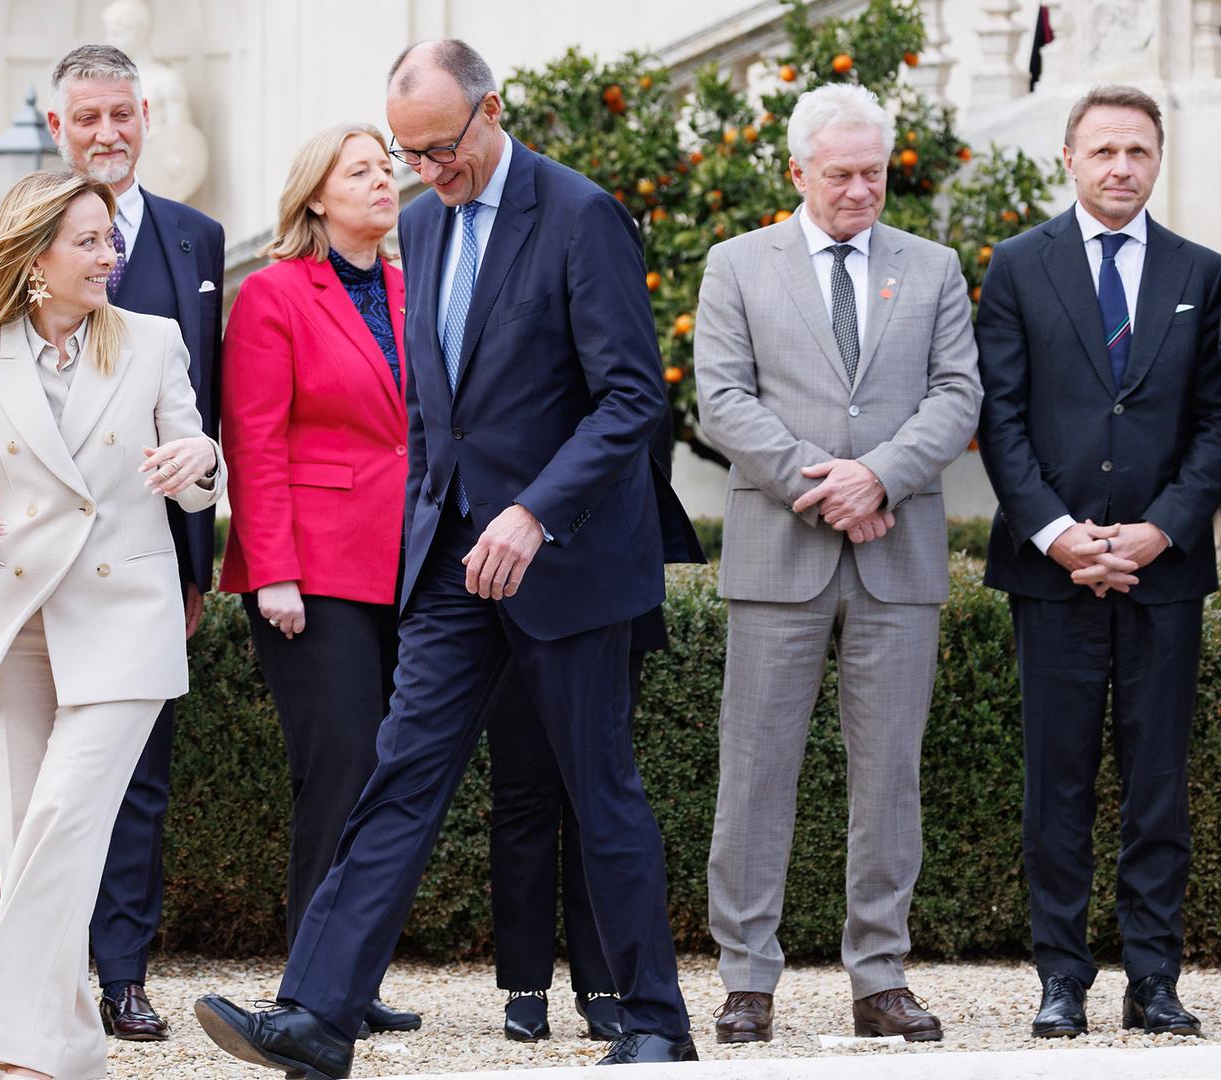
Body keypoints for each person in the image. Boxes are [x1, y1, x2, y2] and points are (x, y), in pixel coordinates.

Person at [195, 39, 697, 1072]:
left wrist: (534, 514)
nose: (426, 171)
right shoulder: (419, 229)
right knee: (397, 779)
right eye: (408, 153)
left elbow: (633, 398)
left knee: (598, 788)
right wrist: (438, 519)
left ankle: (654, 1024)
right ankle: (317, 1018)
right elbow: (437, 410)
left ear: (491, 110)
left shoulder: (578, 213)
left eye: (438, 148)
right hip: (450, 568)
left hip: (567, 560)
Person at [0, 169, 223, 1080]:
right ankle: (67, 1047)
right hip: (14, 618)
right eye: (87, 241)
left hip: (125, 612)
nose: (109, 256)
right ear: (35, 256)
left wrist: (200, 461)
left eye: (110, 239)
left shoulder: (154, 341)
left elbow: (201, 467)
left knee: (65, 818)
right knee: (29, 842)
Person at [693, 83, 981, 1046]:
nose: (861, 190)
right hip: (781, 551)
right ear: (797, 172)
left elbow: (956, 395)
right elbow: (723, 400)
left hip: (898, 555)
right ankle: (746, 979)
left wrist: (882, 478)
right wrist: (822, 484)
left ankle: (881, 977)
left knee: (890, 776)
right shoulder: (737, 264)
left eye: (874, 172)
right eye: (841, 173)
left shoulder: (933, 267)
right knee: (755, 770)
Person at [976, 84, 1221, 1040]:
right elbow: (999, 417)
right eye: (1105, 151)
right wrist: (1057, 532)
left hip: (1164, 572)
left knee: (1158, 782)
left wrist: (1161, 529)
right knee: (1059, 781)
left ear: (1157, 161)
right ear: (1070, 159)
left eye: (1139, 152)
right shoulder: (1018, 267)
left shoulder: (1202, 272)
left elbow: (1213, 424)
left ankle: (1154, 980)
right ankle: (1061, 978)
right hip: (1052, 572)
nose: (1122, 167)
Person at [0, 42, 224, 1043]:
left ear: (143, 116)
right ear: (58, 127)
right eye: (85, 118)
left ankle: (124, 974)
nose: (106, 133)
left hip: (146, 567)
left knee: (136, 776)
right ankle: (48, 982)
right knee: (41, 788)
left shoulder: (199, 239)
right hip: (32, 573)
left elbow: (200, 416)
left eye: (121, 114)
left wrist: (198, 562)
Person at [216, 122, 421, 1037]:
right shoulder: (271, 296)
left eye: (389, 169)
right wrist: (274, 573)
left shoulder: (418, 293)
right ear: (314, 198)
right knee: (338, 770)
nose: (384, 182)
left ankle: (351, 979)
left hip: (407, 569)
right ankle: (313, 984)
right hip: (312, 573)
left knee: (385, 776)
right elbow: (252, 441)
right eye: (362, 171)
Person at [485, 402, 703, 1044]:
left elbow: (642, 468)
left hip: (606, 592)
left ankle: (603, 983)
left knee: (596, 797)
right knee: (522, 792)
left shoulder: (623, 383)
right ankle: (524, 985)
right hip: (514, 589)